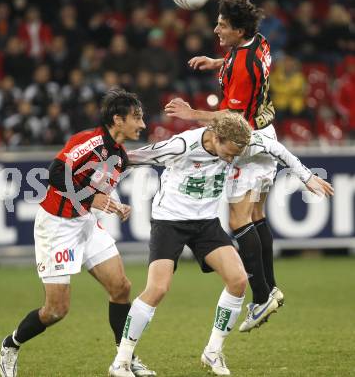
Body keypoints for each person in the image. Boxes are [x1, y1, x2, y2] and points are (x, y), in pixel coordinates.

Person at [109, 112, 334, 377]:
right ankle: (121, 361)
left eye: (235, 156)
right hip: (170, 222)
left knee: (238, 280)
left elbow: (278, 149)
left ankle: (213, 352)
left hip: (206, 223)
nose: (230, 160)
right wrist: (100, 180)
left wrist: (307, 177)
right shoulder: (182, 145)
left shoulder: (241, 143)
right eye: (227, 154)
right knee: (157, 289)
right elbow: (132, 158)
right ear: (216, 137)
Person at [0, 89, 156, 377]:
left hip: (84, 223)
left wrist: (114, 205)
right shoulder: (89, 141)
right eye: (137, 118)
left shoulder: (119, 156)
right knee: (56, 310)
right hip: (57, 227)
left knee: (121, 288)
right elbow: (56, 173)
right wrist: (91, 199)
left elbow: (95, 189)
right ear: (117, 119)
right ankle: (11, 344)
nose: (142, 125)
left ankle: (123, 359)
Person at [165, 0, 285, 332]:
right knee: (257, 216)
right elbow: (246, 63)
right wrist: (218, 62)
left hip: (247, 141)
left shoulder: (244, 66)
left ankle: (261, 297)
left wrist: (191, 113)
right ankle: (269, 289)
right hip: (267, 133)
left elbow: (232, 119)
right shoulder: (257, 43)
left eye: (222, 26)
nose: (216, 30)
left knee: (238, 220)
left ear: (238, 30)